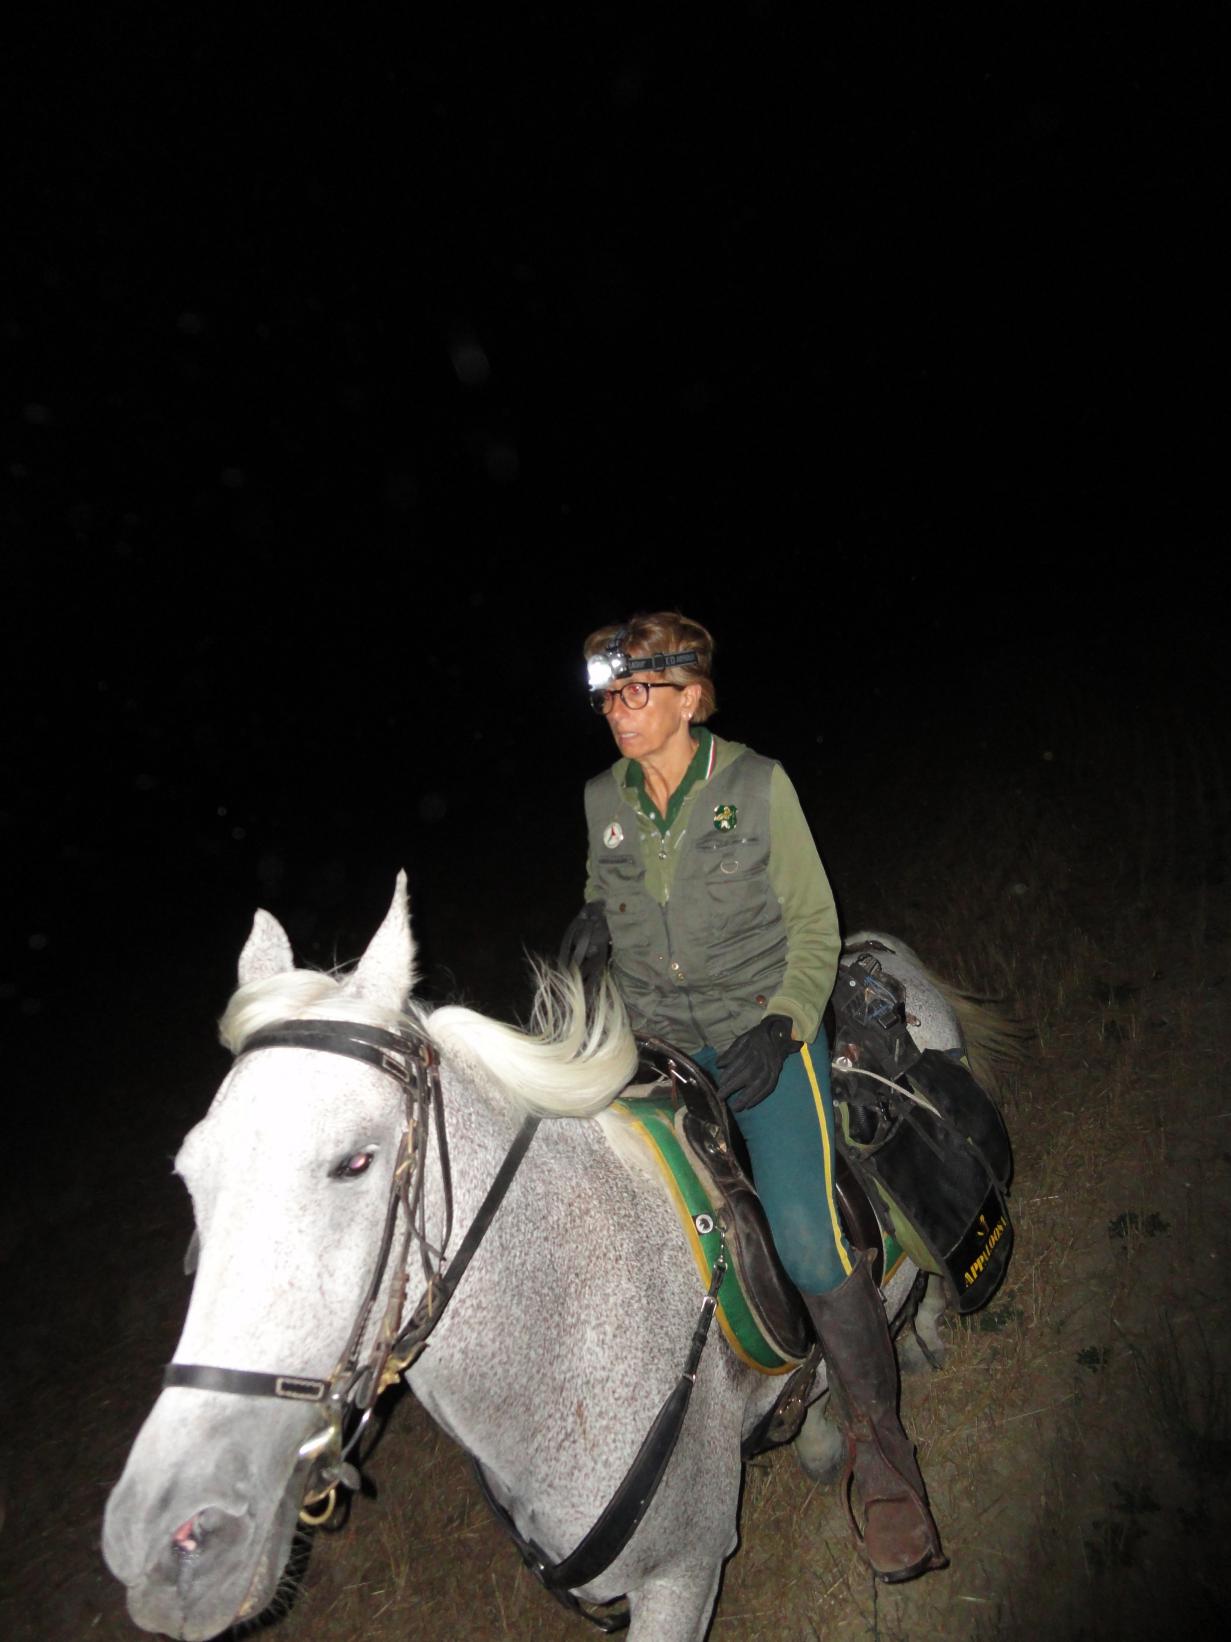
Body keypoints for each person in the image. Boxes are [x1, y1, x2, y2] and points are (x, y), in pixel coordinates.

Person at [561, 611, 945, 1584]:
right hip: (657, 1048)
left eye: (636, 691)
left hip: (762, 1035)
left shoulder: (758, 785)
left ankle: (884, 1455)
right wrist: (591, 926)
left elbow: (814, 923)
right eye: (608, 697)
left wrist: (783, 1025)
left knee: (806, 1241)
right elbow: (608, 891)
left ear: (690, 698)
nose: (617, 710)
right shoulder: (602, 799)